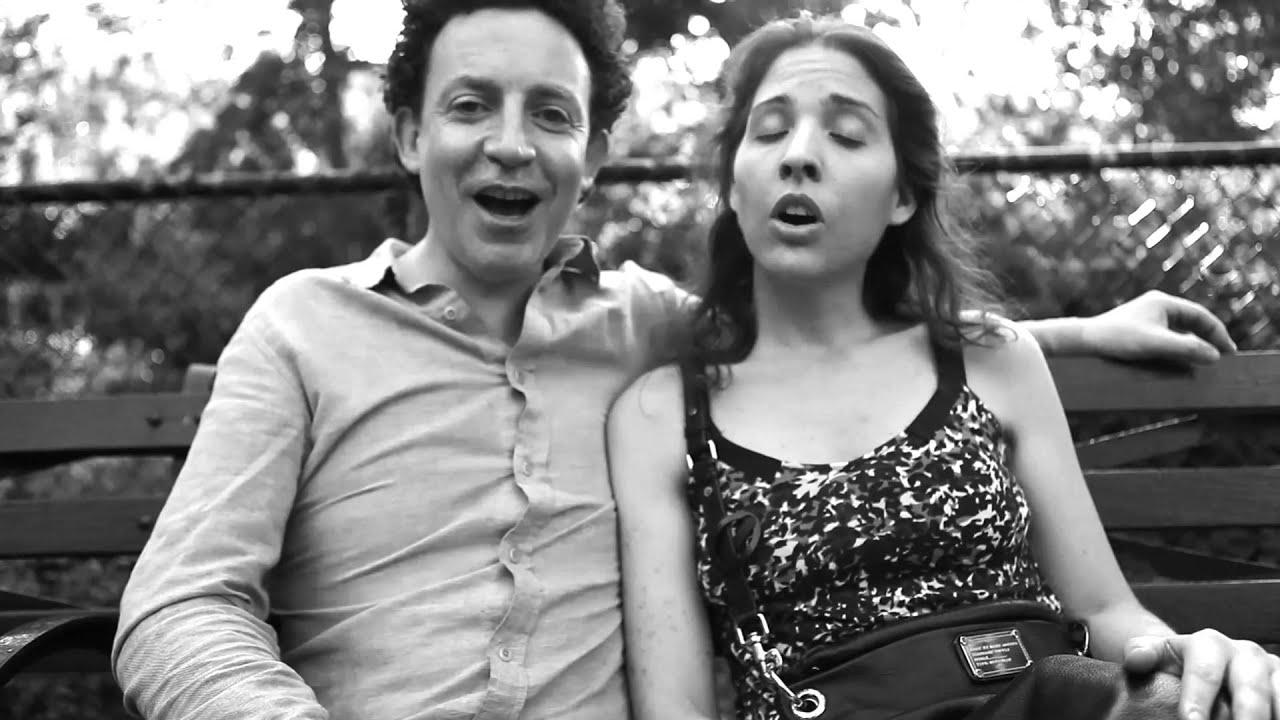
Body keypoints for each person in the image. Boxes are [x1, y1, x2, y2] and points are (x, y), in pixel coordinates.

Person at [111, 2, 1242, 719]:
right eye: (470, 107)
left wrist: (1073, 333)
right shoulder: (301, 327)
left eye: (550, 114)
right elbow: (179, 607)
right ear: (411, 135)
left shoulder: (644, 325)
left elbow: (833, 345)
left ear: (593, 155)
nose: (509, 143)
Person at [606, 14, 1280, 720]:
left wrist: (1199, 670)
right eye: (770, 131)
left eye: (847, 135)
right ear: (732, 184)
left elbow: (1107, 612)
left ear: (903, 195)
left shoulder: (989, 359)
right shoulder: (663, 416)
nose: (799, 155)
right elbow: (675, 708)